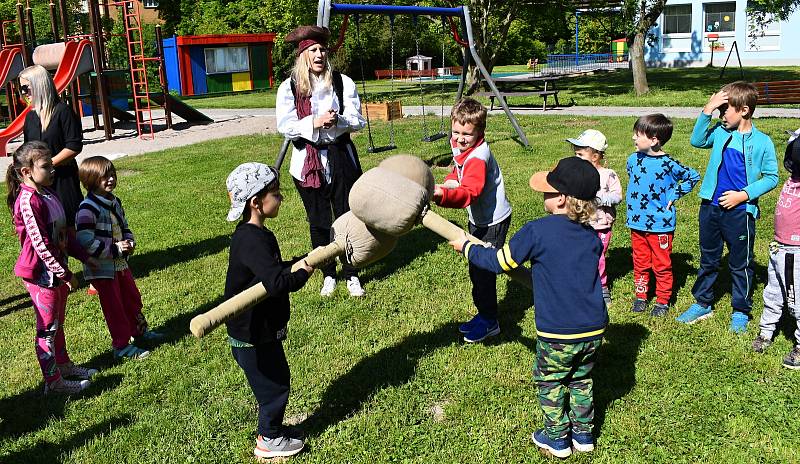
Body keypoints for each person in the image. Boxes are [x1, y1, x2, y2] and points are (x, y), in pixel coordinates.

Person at [449, 157, 607, 458]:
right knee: (581, 379)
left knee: (551, 381)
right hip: (594, 328)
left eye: (547, 190)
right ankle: (584, 435)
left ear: (560, 199)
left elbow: (500, 263)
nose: (543, 194)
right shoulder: (591, 237)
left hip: (558, 332)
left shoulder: (537, 231)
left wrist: (468, 248)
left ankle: (557, 438)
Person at [224, 162, 315, 459]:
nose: (281, 198)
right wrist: (303, 272)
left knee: (277, 380)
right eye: (276, 193)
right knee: (273, 387)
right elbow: (277, 283)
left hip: (262, 329)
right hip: (251, 334)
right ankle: (269, 438)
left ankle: (273, 428)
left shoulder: (257, 235)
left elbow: (272, 270)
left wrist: (298, 261)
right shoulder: (250, 240)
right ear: (256, 203)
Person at [677, 81, 779, 333]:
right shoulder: (721, 132)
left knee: (740, 263)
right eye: (719, 110)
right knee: (708, 258)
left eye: (725, 110)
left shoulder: (763, 142)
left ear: (744, 110)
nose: (721, 115)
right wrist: (706, 109)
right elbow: (697, 140)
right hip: (710, 207)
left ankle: (741, 309)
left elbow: (771, 177)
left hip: (740, 213)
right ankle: (703, 302)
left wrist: (743, 196)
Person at [276, 25, 366, 298]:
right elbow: (285, 126)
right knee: (318, 221)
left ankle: (351, 273)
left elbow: (358, 121)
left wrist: (339, 121)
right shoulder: (289, 87)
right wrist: (314, 122)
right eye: (313, 50)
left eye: (322, 49)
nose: (319, 54)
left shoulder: (342, 82)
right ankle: (328, 273)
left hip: (340, 156)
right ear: (303, 55)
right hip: (307, 161)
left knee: (346, 217)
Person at [5, 141, 97, 395]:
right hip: (40, 275)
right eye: (46, 166)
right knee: (47, 329)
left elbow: (65, 232)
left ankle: (64, 367)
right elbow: (41, 245)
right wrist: (65, 274)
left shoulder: (49, 193)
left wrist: (84, 256)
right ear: (26, 172)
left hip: (56, 272)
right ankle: (53, 382)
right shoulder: (28, 202)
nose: (52, 169)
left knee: (57, 324)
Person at [433, 97, 512, 343]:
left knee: (483, 270)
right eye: (455, 132)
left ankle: (490, 322)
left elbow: (469, 193)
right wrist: (448, 182)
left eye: (466, 134)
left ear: (480, 132)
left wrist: (442, 194)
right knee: (475, 269)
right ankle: (484, 313)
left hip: (492, 221)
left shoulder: (478, 157)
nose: (459, 139)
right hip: (478, 218)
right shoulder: (461, 145)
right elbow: (457, 171)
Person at [75, 156, 162, 360]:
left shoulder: (114, 201)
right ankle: (121, 346)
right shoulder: (87, 208)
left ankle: (140, 331)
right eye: (104, 176)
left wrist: (129, 240)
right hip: (102, 268)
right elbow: (85, 241)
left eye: (112, 174)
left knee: (132, 298)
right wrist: (114, 249)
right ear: (90, 179)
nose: (111, 179)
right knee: (114, 307)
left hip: (120, 264)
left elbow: (124, 227)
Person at [19, 65, 89, 293]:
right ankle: (61, 273)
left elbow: (74, 146)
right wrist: (33, 175)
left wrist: (48, 168)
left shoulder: (62, 112)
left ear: (39, 86)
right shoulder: (30, 117)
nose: (23, 94)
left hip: (63, 180)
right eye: (21, 90)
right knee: (51, 230)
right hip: (42, 184)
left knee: (71, 228)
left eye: (25, 88)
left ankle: (96, 270)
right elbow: (29, 150)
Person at [626, 114, 699, 316]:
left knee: (661, 264)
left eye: (638, 134)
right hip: (637, 223)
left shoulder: (668, 164)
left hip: (660, 226)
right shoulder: (633, 160)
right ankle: (641, 296)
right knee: (640, 262)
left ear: (654, 139)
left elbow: (693, 175)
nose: (633, 138)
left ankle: (662, 301)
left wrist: (675, 193)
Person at [752, 132, 800, 369]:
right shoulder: (792, 180)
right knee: (773, 293)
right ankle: (766, 332)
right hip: (779, 247)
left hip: (796, 253)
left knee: (797, 299)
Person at [567, 129, 622, 306]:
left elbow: (617, 196)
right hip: (581, 223)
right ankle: (581, 284)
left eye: (580, 154)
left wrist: (597, 198)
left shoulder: (608, 175)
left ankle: (602, 287)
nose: (576, 158)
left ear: (595, 156)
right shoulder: (577, 174)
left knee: (598, 257)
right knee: (580, 255)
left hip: (601, 225)